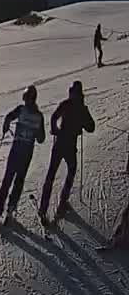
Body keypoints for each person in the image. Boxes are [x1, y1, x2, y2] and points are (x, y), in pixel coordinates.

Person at [0, 85, 48, 238]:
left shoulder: (21, 110)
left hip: (16, 150)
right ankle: (10, 210)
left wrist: (5, 127)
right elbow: (41, 139)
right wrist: (34, 131)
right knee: (19, 181)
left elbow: (8, 117)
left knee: (7, 181)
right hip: (27, 152)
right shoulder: (39, 116)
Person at [39, 81, 95, 223]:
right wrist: (83, 123)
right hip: (70, 146)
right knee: (71, 171)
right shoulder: (82, 109)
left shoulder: (66, 104)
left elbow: (54, 117)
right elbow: (91, 127)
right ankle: (63, 202)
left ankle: (43, 209)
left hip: (59, 145)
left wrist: (55, 129)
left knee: (51, 175)